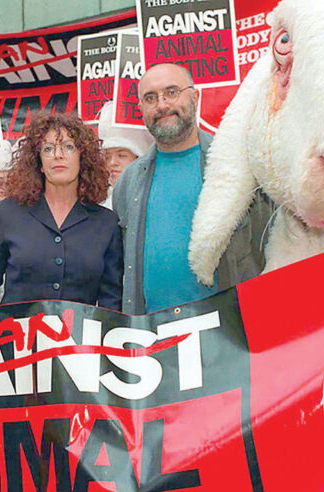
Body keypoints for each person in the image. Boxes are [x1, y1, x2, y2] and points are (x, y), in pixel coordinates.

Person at [112, 63, 271, 314]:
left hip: (229, 330)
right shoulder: (128, 181)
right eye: (150, 98)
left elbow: (268, 247)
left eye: (172, 92)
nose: (162, 105)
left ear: (195, 97)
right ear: (141, 108)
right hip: (152, 332)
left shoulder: (239, 165)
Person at [0, 112, 123, 318]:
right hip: (18, 334)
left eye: (68, 147)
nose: (58, 155)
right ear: (39, 162)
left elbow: (111, 299)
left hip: (78, 336)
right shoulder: (9, 212)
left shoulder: (106, 223)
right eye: (48, 149)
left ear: (82, 157)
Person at [96, 100, 154, 208]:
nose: (112, 163)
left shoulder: (153, 200)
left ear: (139, 158)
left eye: (121, 155)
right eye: (107, 156)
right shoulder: (101, 205)